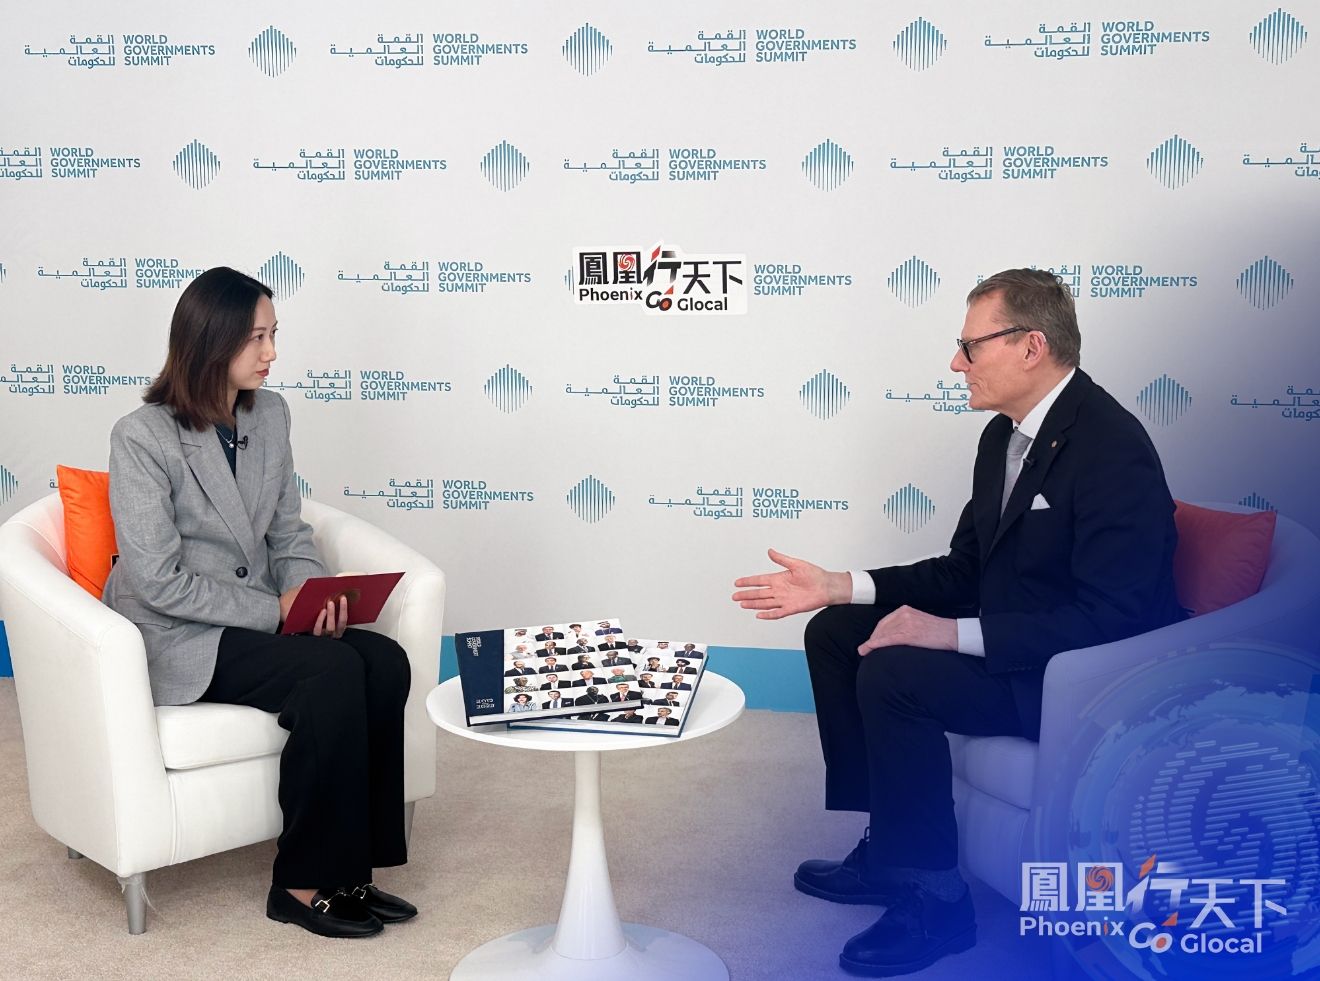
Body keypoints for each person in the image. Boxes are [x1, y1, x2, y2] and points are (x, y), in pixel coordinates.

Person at [732, 269, 1183, 976]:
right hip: (1021, 648)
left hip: (1081, 682)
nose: (955, 363)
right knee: (837, 633)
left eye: (970, 346)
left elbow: (1113, 620)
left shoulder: (1111, 448)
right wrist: (841, 586)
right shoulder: (1003, 437)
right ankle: (890, 849)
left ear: (1031, 346)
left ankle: (938, 902)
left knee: (896, 675)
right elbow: (965, 571)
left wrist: (949, 633)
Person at [101, 267, 416, 939]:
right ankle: (298, 885)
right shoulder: (141, 436)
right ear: (211, 342)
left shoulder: (269, 413)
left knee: (384, 661)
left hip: (258, 615)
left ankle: (352, 870)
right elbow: (157, 581)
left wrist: (311, 597)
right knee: (328, 673)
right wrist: (277, 610)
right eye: (257, 338)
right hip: (177, 633)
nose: (273, 352)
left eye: (274, 334)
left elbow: (288, 531)